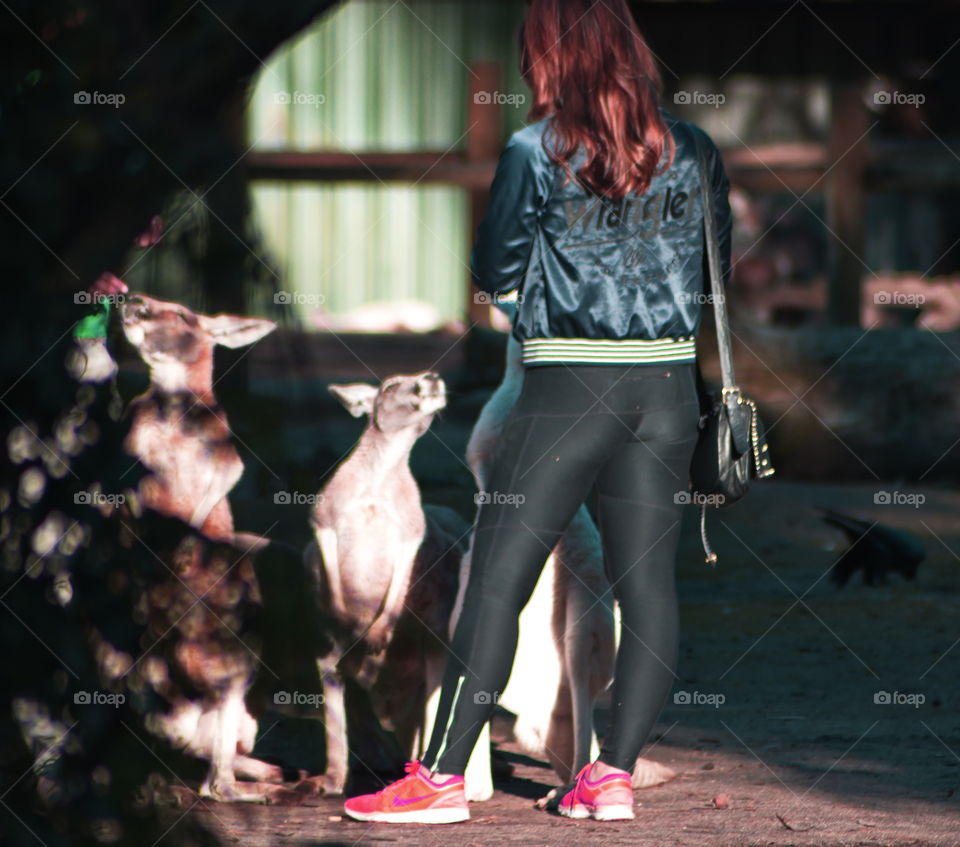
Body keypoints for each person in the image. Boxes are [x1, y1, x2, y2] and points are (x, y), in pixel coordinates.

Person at [343, 0, 731, 825]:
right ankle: (611, 776)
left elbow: (495, 267)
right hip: (666, 391)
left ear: (549, 56)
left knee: (496, 581)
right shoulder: (693, 147)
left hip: (565, 390)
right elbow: (714, 271)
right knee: (649, 588)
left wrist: (545, 302)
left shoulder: (535, 147)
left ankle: (442, 780)